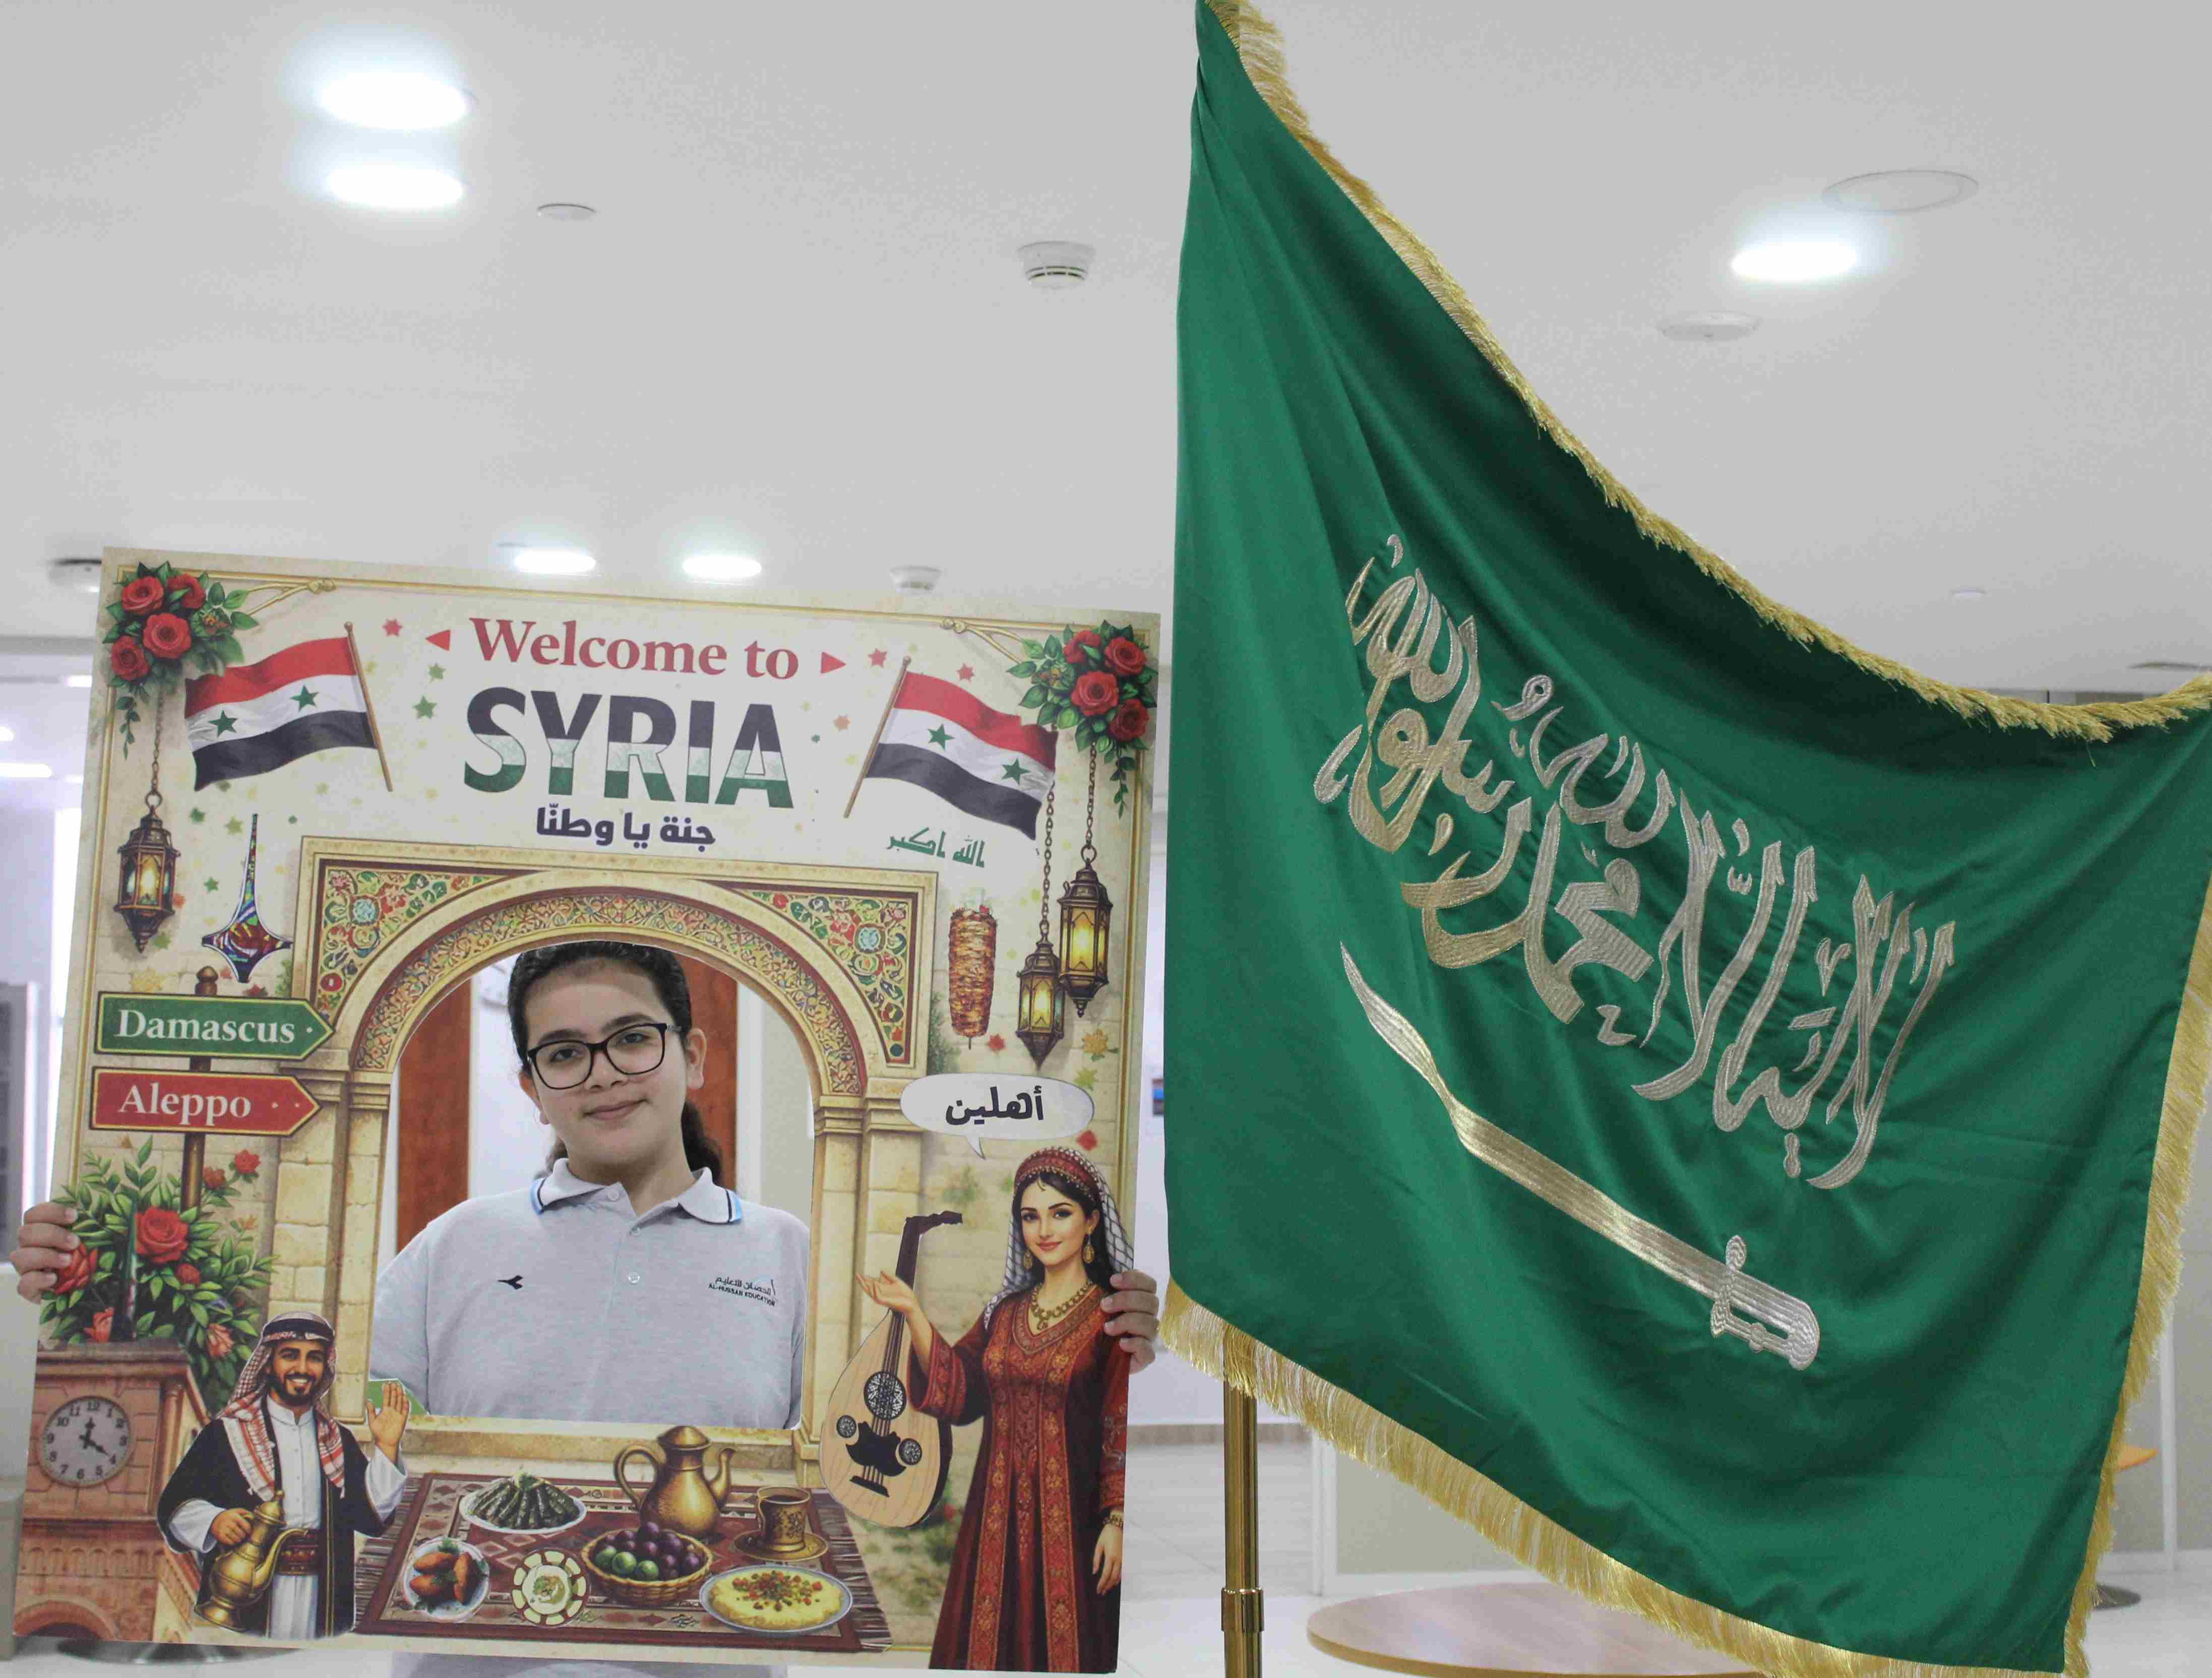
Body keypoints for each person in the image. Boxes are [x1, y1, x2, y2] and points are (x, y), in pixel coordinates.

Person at [14, 938, 1163, 1674]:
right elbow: (297, 1418)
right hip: (467, 1661)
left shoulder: (794, 1256)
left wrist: (1087, 1334)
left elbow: (925, 1426)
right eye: (563, 1052)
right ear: (531, 1085)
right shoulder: (452, 1247)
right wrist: (97, 1280)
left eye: (631, 1037)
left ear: (690, 1053)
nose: (603, 1071)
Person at [859, 1145, 1133, 1672]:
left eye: (1060, 1213)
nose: (1043, 1230)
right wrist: (913, 1312)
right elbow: (961, 1390)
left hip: (1072, 1522)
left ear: (1092, 1220)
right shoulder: (1003, 1313)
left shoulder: (1110, 1320)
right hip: (993, 1518)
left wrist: (1117, 1519)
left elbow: (1117, 1425)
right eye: (1030, 1216)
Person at [154, 1311, 412, 1640]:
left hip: (322, 1598)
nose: (302, 1368)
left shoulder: (336, 1441)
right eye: (290, 1355)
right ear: (267, 1363)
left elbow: (371, 1516)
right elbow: (173, 1507)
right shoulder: (227, 1434)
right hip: (244, 1602)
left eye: (314, 1358)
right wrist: (214, 1520)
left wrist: (387, 1447)